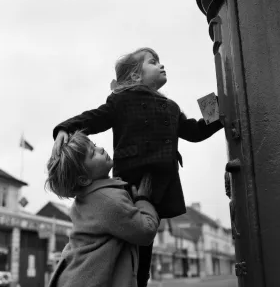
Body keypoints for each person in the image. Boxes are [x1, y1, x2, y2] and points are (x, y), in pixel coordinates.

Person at [51, 47, 224, 287]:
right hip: (129, 186)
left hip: (162, 187)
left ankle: (136, 281)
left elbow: (194, 131)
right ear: (135, 76)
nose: (161, 65)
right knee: (125, 244)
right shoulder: (120, 102)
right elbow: (94, 117)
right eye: (153, 62)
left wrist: (219, 100)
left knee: (142, 252)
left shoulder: (172, 107)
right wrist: (65, 128)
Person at [46, 130, 159, 287]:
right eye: (93, 154)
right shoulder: (109, 200)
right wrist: (143, 200)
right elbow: (146, 231)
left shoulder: (85, 199)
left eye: (95, 146)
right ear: (84, 179)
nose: (100, 150)